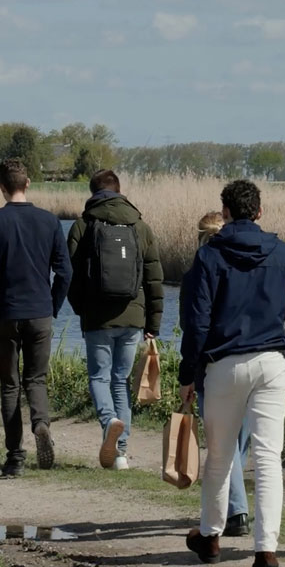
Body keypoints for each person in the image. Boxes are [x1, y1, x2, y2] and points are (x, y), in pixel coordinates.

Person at [179, 180, 285, 567]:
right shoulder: (283, 253)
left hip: (224, 364)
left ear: (227, 212)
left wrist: (189, 373)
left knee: (219, 455)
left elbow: (197, 323)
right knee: (268, 458)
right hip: (273, 361)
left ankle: (211, 537)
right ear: (260, 211)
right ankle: (266, 552)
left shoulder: (210, 256)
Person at [0, 158, 72, 478]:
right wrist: (52, 306)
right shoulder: (50, 221)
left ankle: (15, 456)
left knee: (10, 384)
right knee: (36, 379)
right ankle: (41, 423)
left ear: (1, 187)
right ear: (27, 184)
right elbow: (65, 272)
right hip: (40, 313)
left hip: (6, 314)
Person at [65, 170, 164, 470]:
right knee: (120, 381)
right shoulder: (140, 226)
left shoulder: (83, 225)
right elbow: (154, 278)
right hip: (133, 317)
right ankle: (120, 453)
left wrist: (82, 309)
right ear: (120, 191)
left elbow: (70, 276)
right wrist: (153, 325)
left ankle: (109, 422)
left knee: (99, 377)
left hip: (97, 318)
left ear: (93, 192)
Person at [188, 210, 252, 537]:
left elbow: (194, 325)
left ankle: (236, 509)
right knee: (237, 440)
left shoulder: (202, 267)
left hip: (214, 364)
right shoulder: (243, 266)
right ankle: (233, 502)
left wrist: (189, 371)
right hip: (253, 360)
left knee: (221, 442)